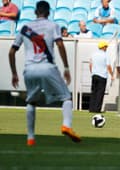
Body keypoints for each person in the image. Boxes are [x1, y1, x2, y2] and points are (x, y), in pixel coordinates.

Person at [8, 1, 81, 146]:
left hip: (29, 69)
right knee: (66, 97)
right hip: (47, 67)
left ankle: (30, 138)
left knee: (31, 101)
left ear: (35, 12)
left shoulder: (25, 27)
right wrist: (66, 67)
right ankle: (66, 125)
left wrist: (14, 73)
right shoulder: (53, 26)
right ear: (48, 12)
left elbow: (12, 51)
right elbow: (60, 44)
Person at [89, 41, 114, 113]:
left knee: (93, 92)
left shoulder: (93, 54)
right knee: (100, 93)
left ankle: (91, 108)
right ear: (103, 47)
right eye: (106, 47)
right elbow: (108, 66)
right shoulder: (105, 55)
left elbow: (90, 64)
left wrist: (92, 72)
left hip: (94, 75)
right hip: (102, 76)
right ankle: (97, 109)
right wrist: (112, 75)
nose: (106, 48)